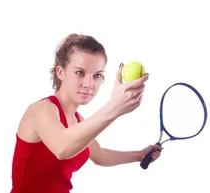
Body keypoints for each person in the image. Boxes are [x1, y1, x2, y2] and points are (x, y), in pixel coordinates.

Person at [10, 33, 163, 193]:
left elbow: (100, 155)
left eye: (97, 75)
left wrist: (139, 155)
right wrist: (114, 108)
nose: (89, 84)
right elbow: (62, 148)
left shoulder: (78, 121)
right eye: (79, 72)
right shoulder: (41, 110)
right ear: (61, 72)